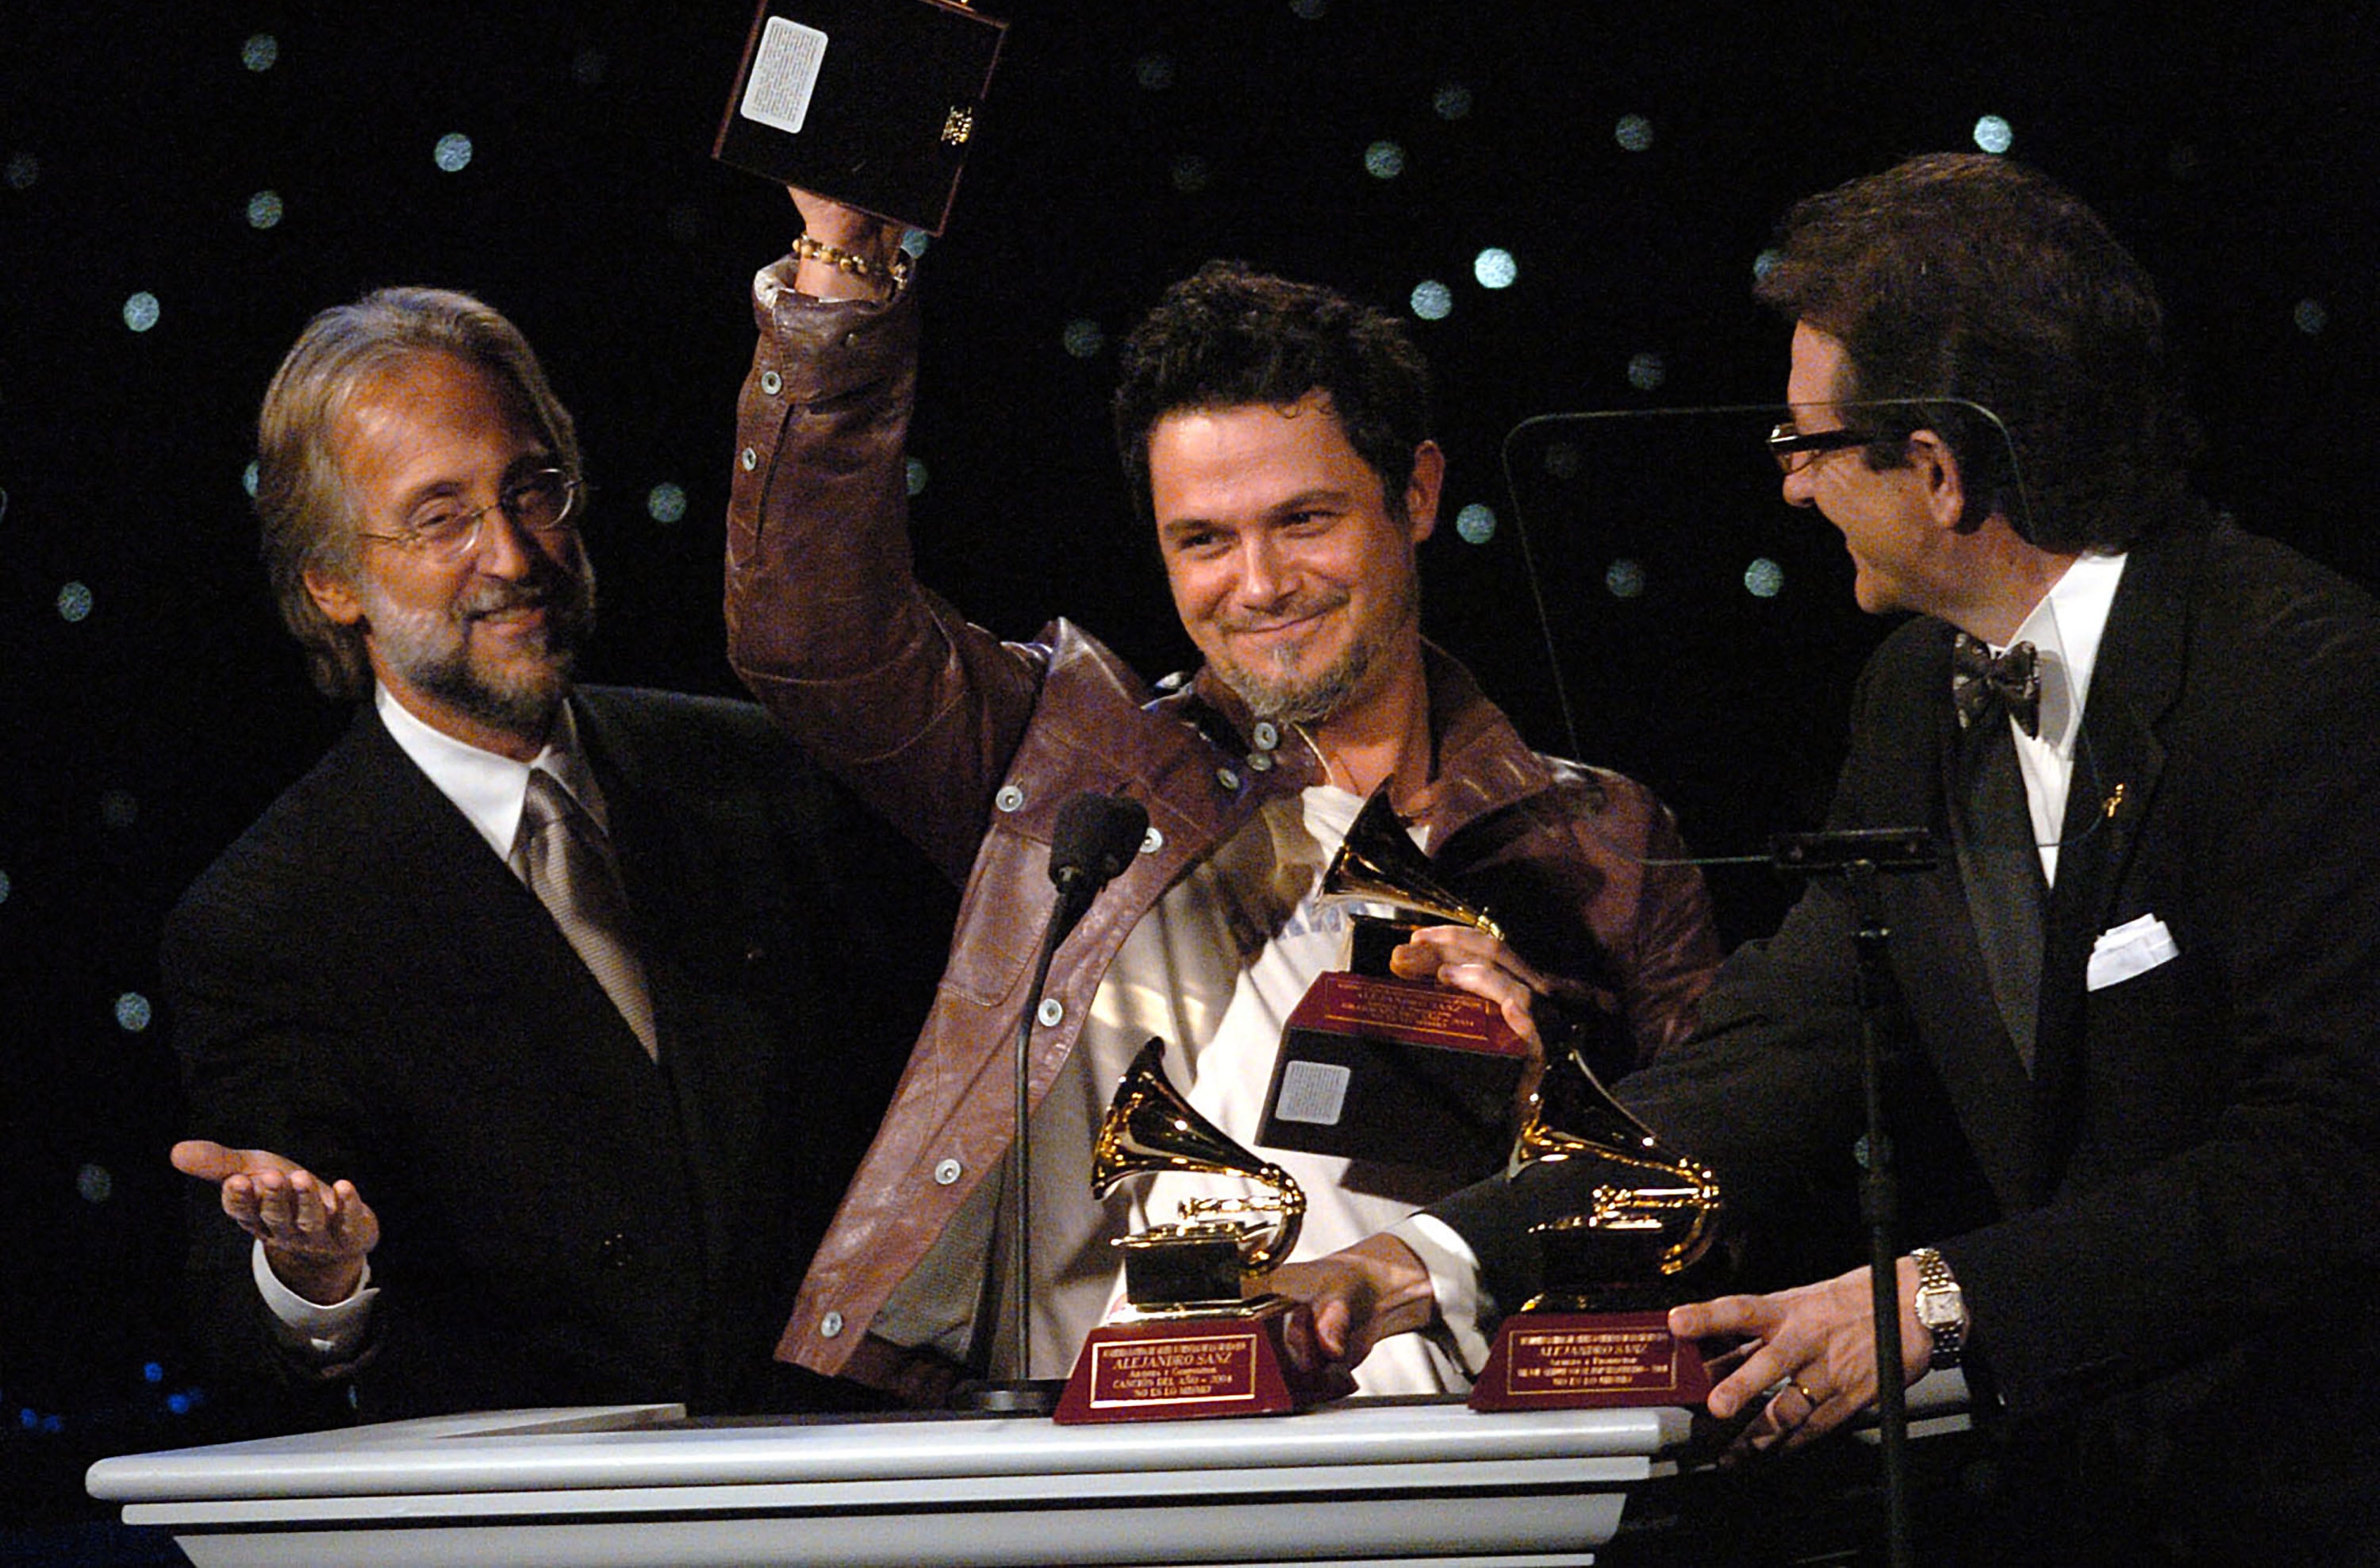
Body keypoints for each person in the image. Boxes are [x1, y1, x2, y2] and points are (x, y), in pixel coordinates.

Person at [1269, 153, 2380, 1560]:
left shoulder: (2301, 678)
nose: (1787, 488)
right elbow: (1774, 1056)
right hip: (2106, 1507)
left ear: (1936, 468)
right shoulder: (1917, 694)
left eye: (1806, 442)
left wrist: (1930, 1301)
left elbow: (2333, 1155)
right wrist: (1428, 1260)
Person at [721, 192, 1722, 1401]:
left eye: (1304, 521)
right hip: (1062, 1452)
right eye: (1202, 540)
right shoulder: (1074, 762)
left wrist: (1541, 1079)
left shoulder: (1602, 839)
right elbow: (808, 633)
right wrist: (842, 281)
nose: (1256, 584)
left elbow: (1704, 1192)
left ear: (1416, 493)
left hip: (1451, 1474)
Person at [167, 286, 950, 1424]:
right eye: (439, 518)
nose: (512, 554)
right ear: (331, 581)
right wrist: (312, 1277)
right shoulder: (272, 914)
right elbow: (251, 1291)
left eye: (532, 489)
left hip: (843, 1472)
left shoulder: (756, 775)